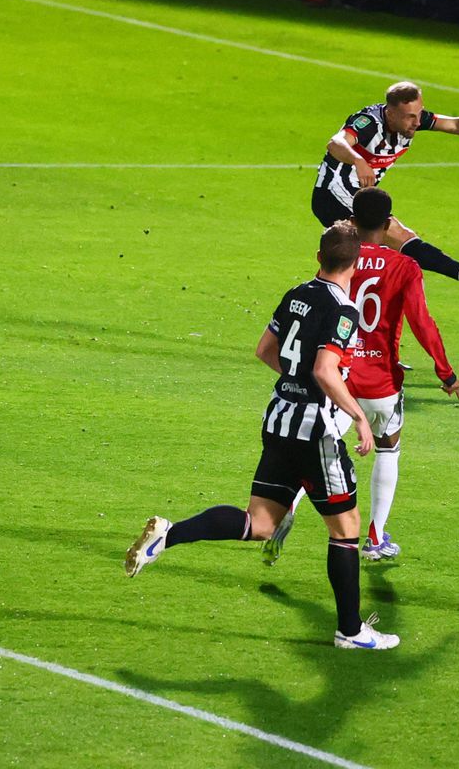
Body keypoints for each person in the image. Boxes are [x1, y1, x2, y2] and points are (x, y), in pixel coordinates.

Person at [125, 222, 400, 651]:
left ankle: (171, 533)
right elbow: (326, 371)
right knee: (345, 532)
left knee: (261, 523)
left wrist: (295, 380)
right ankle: (351, 631)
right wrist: (358, 418)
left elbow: (264, 350)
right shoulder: (343, 310)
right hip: (316, 432)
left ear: (318, 258)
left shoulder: (296, 294)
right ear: (357, 262)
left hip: (278, 421)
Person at [263, 188, 459, 565]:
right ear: (388, 226)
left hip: (338, 379)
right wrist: (445, 371)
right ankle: (375, 536)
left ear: (351, 222)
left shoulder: (343, 259)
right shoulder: (404, 266)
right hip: (382, 383)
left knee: (318, 454)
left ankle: (284, 511)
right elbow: (421, 322)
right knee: (389, 446)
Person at [313, 81, 459, 295]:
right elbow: (335, 143)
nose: (417, 122)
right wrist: (358, 161)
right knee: (397, 238)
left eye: (419, 113)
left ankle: (321, 298)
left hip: (357, 196)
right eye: (410, 116)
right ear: (390, 114)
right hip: (333, 193)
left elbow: (455, 124)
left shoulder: (412, 120)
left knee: (374, 255)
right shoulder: (368, 122)